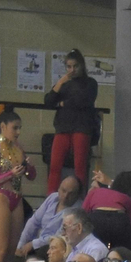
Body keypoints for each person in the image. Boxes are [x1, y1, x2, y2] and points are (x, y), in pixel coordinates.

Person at [0, 110, 35, 262]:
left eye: (20, 128)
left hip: (16, 197)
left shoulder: (19, 148)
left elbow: (32, 176)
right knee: (1, 248)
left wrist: (28, 166)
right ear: (3, 127)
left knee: (12, 249)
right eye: (15, 128)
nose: (18, 132)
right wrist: (11, 173)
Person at [43, 50, 99, 192]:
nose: (72, 70)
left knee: (79, 167)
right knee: (55, 166)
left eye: (75, 66)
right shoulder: (64, 84)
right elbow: (48, 101)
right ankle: (51, 199)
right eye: (69, 67)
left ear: (82, 66)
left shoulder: (90, 83)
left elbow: (83, 100)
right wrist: (60, 82)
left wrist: (63, 104)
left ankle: (79, 199)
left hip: (82, 127)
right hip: (63, 127)